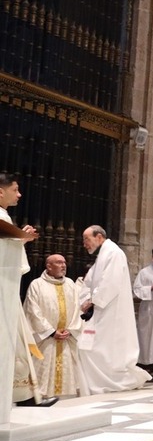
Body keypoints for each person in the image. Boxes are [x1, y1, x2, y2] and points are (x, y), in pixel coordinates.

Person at [79, 225, 151, 393]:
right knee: (91, 348)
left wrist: (93, 300)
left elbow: (110, 282)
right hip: (102, 310)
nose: (85, 244)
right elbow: (89, 281)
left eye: (87, 239)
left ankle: (115, 380)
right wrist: (84, 298)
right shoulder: (103, 255)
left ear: (99, 237)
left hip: (111, 310)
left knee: (101, 350)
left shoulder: (114, 253)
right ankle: (99, 381)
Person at [0, 174, 50, 416]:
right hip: (3, 288)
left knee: (14, 343)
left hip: (7, 287)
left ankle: (25, 394)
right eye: (15, 189)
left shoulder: (5, 217)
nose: (19, 194)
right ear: (1, 191)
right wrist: (21, 236)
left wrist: (21, 238)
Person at [24, 253, 88, 398]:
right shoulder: (37, 285)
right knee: (42, 368)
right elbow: (33, 311)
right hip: (46, 338)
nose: (63, 265)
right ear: (49, 266)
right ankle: (40, 394)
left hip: (66, 336)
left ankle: (67, 393)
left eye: (64, 262)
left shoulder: (70, 284)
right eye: (59, 262)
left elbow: (77, 309)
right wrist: (51, 332)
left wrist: (70, 330)